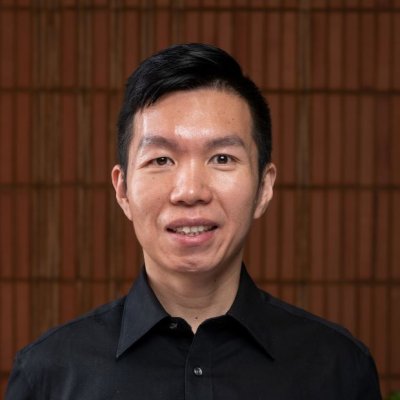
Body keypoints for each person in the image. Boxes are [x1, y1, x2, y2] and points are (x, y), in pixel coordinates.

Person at [6, 43, 381, 399]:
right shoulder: (50, 373)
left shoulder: (338, 369)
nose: (189, 191)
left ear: (264, 188)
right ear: (123, 191)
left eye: (221, 158)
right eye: (161, 160)